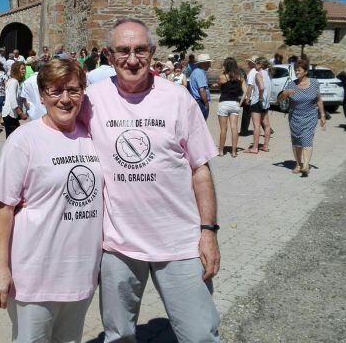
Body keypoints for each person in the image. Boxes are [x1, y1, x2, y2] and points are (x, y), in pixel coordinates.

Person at [84, 18, 221, 342]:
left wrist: (209, 232)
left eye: (140, 50)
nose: (132, 59)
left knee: (200, 334)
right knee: (118, 336)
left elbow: (200, 169)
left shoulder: (177, 99)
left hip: (180, 242)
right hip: (118, 244)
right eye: (123, 51)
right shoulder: (91, 100)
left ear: (153, 51)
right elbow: (56, 132)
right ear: (108, 54)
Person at [0, 59, 103, 343]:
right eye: (56, 91)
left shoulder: (93, 136)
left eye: (73, 90)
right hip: (35, 275)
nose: (65, 99)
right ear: (42, 95)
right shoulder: (24, 141)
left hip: (81, 273)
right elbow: (3, 209)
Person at [278, 59, 326, 176]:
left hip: (310, 116)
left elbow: (318, 99)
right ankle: (299, 164)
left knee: (307, 139)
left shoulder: (314, 83)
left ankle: (306, 165)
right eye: (295, 70)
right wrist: (284, 94)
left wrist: (323, 115)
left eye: (299, 70)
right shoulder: (291, 84)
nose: (297, 72)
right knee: (297, 141)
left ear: (305, 72)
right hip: (295, 117)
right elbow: (279, 100)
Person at [217, 57, 247, 157]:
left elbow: (220, 88)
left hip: (224, 103)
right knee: (234, 128)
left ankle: (221, 151)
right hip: (235, 104)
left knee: (223, 129)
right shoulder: (240, 77)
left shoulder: (222, 77)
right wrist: (240, 102)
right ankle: (234, 152)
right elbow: (246, 91)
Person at [2, 61, 27, 137]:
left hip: (11, 114)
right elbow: (12, 99)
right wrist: (21, 113)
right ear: (16, 70)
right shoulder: (14, 82)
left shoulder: (13, 81)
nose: (24, 71)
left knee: (13, 137)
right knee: (13, 138)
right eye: (22, 69)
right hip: (10, 114)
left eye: (24, 69)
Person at [256, 57, 273, 152]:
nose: (255, 65)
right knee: (267, 125)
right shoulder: (268, 74)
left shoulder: (259, 74)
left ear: (260, 65)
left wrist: (260, 97)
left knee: (257, 124)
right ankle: (265, 145)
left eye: (256, 64)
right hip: (266, 103)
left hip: (260, 101)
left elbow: (261, 88)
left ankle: (255, 146)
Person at [189, 53, 212, 119]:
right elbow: (202, 89)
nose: (209, 65)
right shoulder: (199, 73)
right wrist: (206, 103)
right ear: (203, 63)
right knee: (201, 126)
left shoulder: (196, 71)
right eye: (208, 63)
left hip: (197, 102)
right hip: (200, 103)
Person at [240, 56, 257, 136]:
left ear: (252, 64)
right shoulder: (257, 71)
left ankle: (244, 131)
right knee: (254, 113)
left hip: (250, 96)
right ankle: (268, 128)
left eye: (249, 62)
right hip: (254, 96)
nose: (248, 64)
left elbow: (250, 86)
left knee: (246, 115)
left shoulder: (252, 72)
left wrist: (247, 98)